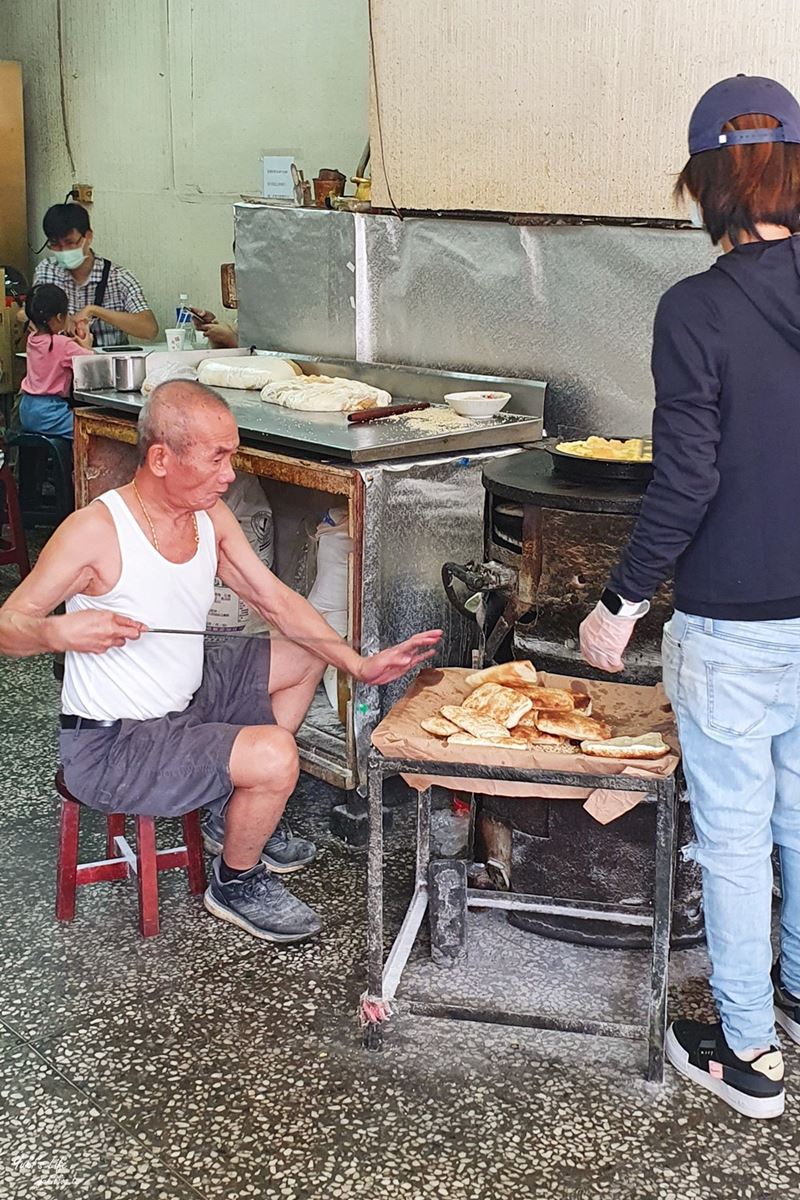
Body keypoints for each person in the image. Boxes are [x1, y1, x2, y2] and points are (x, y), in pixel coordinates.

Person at [0, 380, 442, 944]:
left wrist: (356, 664)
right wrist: (59, 630)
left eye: (230, 455)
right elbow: (8, 628)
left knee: (306, 653)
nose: (230, 474)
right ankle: (235, 879)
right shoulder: (95, 531)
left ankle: (236, 805)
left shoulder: (208, 518)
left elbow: (276, 600)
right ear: (161, 458)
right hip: (113, 745)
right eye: (218, 457)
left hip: (185, 698)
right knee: (276, 754)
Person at [580, 74, 800, 1119]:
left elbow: (688, 478)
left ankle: (747, 1058)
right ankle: (795, 992)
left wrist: (617, 602)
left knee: (731, 835)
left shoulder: (695, 309)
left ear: (703, 183)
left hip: (734, 624)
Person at [32, 203, 158, 348]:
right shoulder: (47, 271)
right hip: (62, 364)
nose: (63, 250)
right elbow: (28, 316)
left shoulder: (118, 277)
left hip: (110, 366)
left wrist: (93, 310)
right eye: (55, 244)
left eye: (70, 243)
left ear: (88, 237)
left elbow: (150, 329)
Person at [18, 283, 93, 439]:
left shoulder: (32, 339)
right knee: (90, 430)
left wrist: (71, 343)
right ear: (59, 317)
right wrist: (87, 344)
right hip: (49, 412)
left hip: (27, 408)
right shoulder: (62, 344)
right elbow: (90, 363)